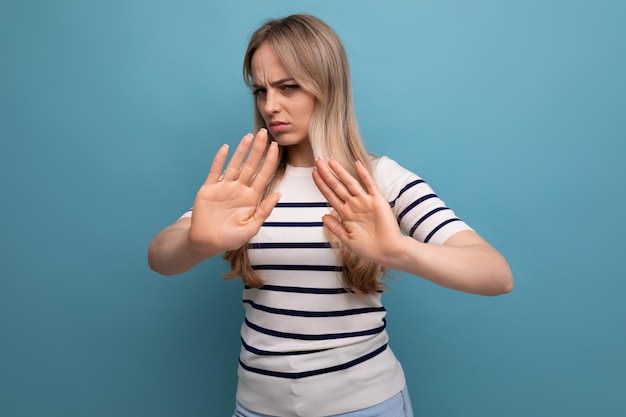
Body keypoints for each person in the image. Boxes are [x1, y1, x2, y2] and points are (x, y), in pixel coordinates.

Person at [148, 13, 513, 417]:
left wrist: (400, 252)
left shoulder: (376, 180)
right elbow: (160, 257)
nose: (271, 106)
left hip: (366, 407)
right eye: (260, 90)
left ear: (327, 86)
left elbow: (496, 274)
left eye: (288, 87)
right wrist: (194, 243)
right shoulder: (250, 183)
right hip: (257, 408)